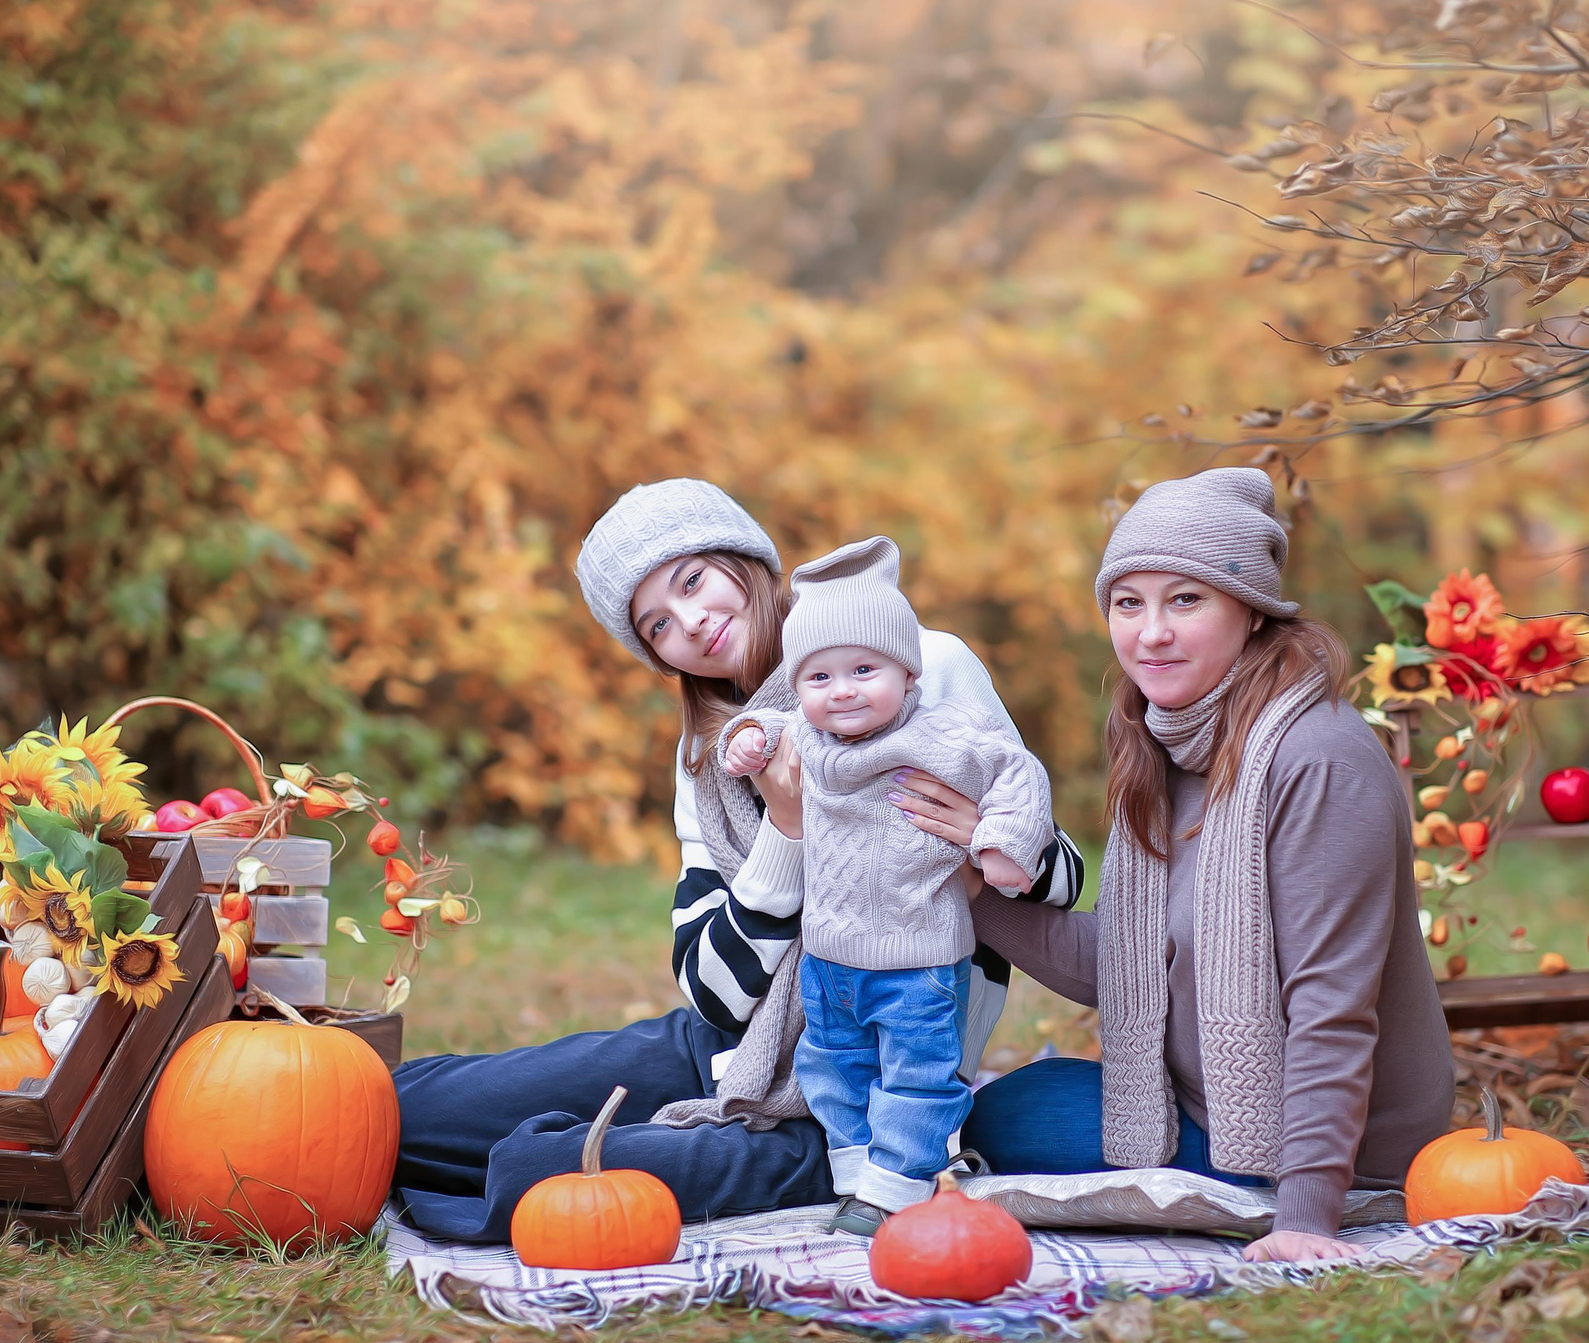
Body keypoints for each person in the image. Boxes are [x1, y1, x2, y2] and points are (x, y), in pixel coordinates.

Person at [388, 478, 1085, 1242]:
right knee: (406, 1108)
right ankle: (549, 1139)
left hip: (865, 1088)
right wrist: (785, 832)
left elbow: (1062, 874)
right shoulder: (709, 761)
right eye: (657, 624)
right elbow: (713, 995)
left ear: (742, 560)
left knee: (545, 1172)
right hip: (731, 1047)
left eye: (693, 581)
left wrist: (981, 843)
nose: (691, 621)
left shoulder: (916, 663)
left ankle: (833, 1167)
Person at [950, 467, 1458, 1262]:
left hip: (1334, 1150)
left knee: (998, 1118)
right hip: (1199, 1105)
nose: (1151, 633)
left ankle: (1284, 1186)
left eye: (1185, 600)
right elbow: (1124, 963)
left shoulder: (1317, 758)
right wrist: (969, 877)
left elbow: (1333, 1003)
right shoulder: (1162, 742)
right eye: (1129, 603)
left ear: (1252, 613)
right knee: (987, 1107)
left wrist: (1307, 1216)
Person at [720, 537, 1055, 1234]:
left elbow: (1018, 772)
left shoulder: (942, 733)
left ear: (907, 674)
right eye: (818, 677)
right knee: (830, 1066)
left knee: (917, 1074)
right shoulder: (808, 736)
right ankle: (857, 1177)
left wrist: (1003, 844)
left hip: (917, 958)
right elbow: (765, 722)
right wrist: (748, 738)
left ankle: (896, 1186)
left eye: (863, 669)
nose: (841, 689)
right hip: (829, 959)